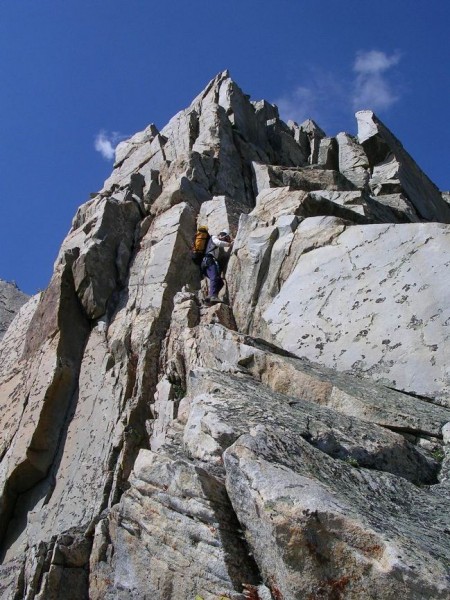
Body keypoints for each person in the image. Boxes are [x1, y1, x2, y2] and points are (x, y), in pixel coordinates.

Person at [201, 229, 233, 302]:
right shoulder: (214, 237)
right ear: (222, 235)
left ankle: (209, 298)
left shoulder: (215, 247)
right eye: (225, 238)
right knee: (214, 277)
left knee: (220, 282)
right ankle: (213, 296)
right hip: (209, 260)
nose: (225, 240)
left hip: (206, 263)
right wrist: (229, 244)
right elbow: (218, 243)